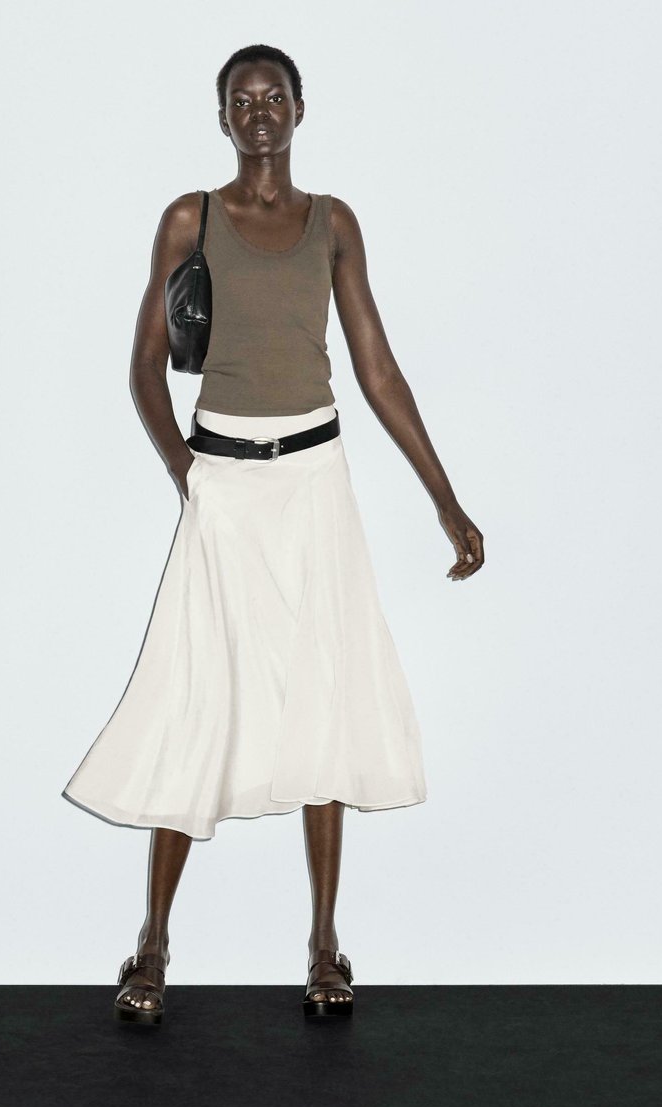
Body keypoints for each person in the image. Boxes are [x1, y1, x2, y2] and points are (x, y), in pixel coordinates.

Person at [62, 43, 484, 1025]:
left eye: (274, 96)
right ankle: (153, 942)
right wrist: (187, 474)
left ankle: (325, 943)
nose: (259, 111)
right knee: (195, 697)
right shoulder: (191, 218)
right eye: (242, 100)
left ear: (299, 109)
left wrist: (444, 497)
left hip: (314, 481)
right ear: (223, 118)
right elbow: (145, 364)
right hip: (224, 483)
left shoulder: (333, 224)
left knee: (323, 702)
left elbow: (377, 367)